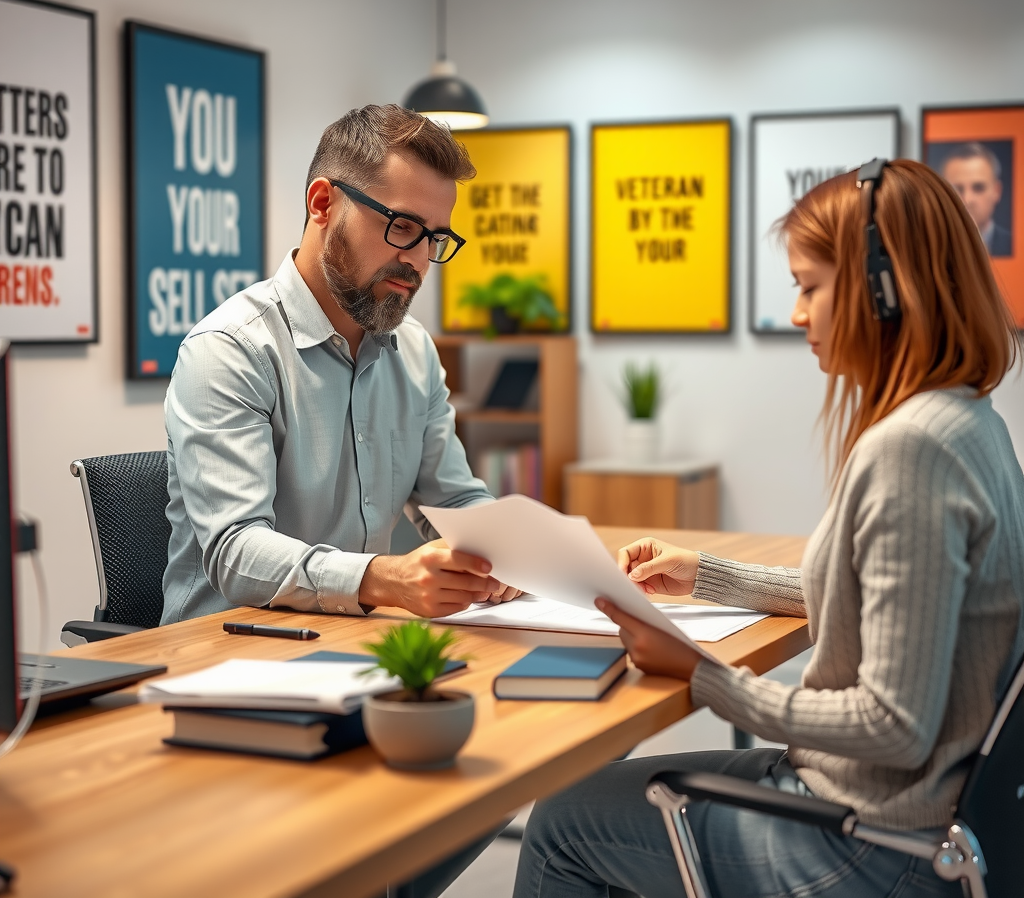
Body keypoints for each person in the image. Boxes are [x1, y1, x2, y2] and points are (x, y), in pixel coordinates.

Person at [514, 159, 1024, 898]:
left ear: (886, 292)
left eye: (810, 288)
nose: (797, 315)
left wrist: (703, 676)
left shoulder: (911, 449)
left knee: (564, 824)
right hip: (916, 815)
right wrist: (710, 574)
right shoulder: (971, 424)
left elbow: (892, 724)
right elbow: (889, 611)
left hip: (873, 843)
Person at [161, 104, 520, 626]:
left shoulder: (414, 351)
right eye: (403, 227)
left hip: (352, 639)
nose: (419, 261)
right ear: (323, 203)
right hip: (225, 654)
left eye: (436, 238)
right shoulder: (229, 349)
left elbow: (455, 496)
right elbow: (236, 552)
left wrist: (505, 549)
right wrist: (385, 579)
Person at [941, 141, 1011, 256]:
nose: (968, 200)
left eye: (978, 188)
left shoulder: (1014, 245)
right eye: (957, 188)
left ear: (997, 191)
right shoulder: (927, 248)